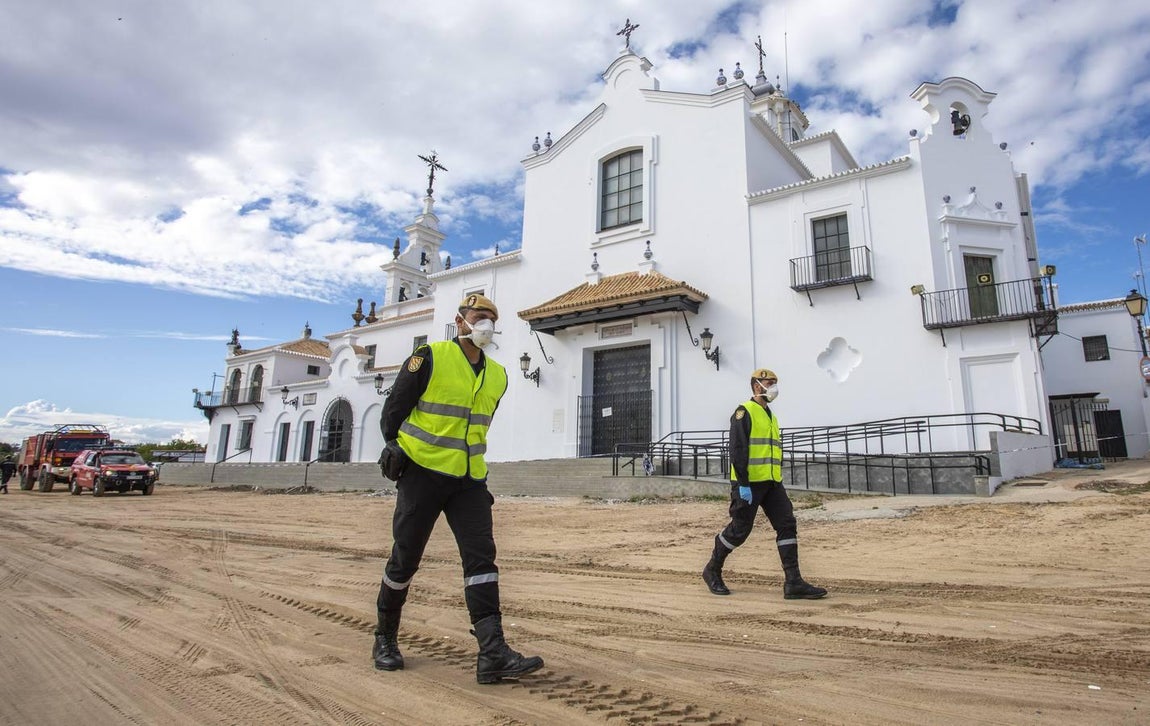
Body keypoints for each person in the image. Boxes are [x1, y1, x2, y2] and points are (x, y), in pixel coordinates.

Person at [372, 293, 544, 684]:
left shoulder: (498, 375)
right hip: (422, 474)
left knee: (482, 560)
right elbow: (393, 413)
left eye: (491, 320)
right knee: (405, 558)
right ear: (460, 320)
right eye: (478, 316)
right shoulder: (430, 357)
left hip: (469, 480)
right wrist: (395, 448)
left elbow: (480, 425)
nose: (485, 324)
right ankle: (384, 637)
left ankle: (492, 652)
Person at [702, 368, 827, 600]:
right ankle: (712, 569)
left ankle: (793, 582)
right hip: (749, 483)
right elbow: (737, 450)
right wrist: (743, 484)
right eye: (769, 383)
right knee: (740, 530)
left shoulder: (771, 415)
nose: (774, 388)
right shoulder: (743, 412)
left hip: (772, 483)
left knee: (787, 524)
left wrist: (776, 476)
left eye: (775, 383)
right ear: (756, 386)